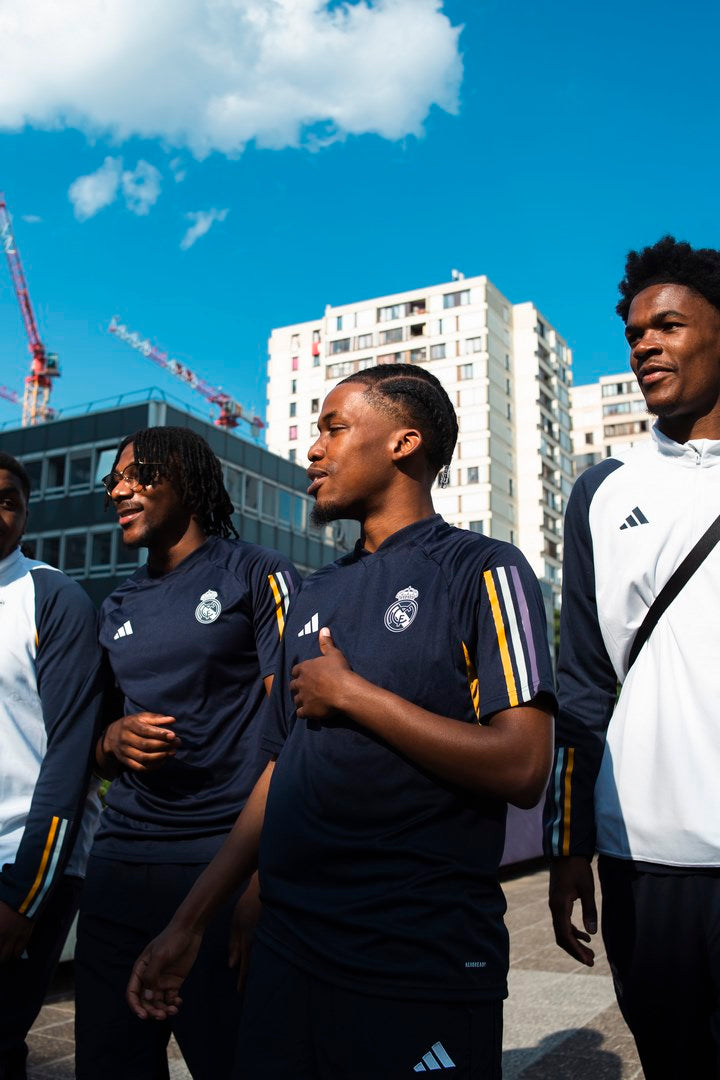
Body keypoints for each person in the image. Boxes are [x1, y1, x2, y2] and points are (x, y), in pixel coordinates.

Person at [126, 366, 556, 1079]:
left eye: (334, 428)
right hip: (288, 951)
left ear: (403, 442)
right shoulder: (315, 590)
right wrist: (191, 920)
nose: (313, 450)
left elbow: (522, 765)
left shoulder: (485, 569)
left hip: (420, 959)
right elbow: (277, 769)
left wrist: (355, 697)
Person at [544, 236, 720, 1078]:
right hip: (649, 862)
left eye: (670, 324)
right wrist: (570, 843)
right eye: (634, 332)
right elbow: (582, 681)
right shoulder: (602, 491)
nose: (645, 343)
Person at [73, 427, 299, 1080]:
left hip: (222, 864)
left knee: (235, 1062)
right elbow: (94, 745)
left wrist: (264, 875)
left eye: (134, 474)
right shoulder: (116, 603)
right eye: (111, 480)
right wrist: (112, 741)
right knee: (110, 1065)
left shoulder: (258, 574)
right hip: (119, 864)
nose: (116, 489)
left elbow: (298, 733)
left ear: (185, 478)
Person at [0, 452, 104, 1080]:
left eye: (8, 499)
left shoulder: (52, 598)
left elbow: (70, 756)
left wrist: (23, 899)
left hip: (20, 867)